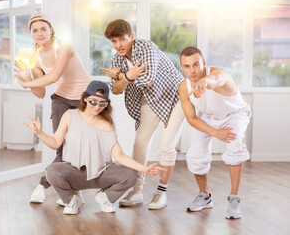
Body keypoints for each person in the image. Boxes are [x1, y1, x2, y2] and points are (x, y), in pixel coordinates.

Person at [24, 80, 164, 215]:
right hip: (74, 172)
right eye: (93, 102)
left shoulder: (107, 125)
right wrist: (39, 133)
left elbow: (119, 156)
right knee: (52, 171)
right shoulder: (69, 116)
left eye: (102, 104)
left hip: (100, 174)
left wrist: (144, 169)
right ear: (85, 98)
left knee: (132, 175)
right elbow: (55, 142)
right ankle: (72, 200)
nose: (97, 107)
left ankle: (106, 198)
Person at [99, 19, 185, 210]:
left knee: (166, 146)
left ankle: (161, 192)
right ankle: (136, 191)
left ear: (132, 36)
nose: (118, 45)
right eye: (114, 41)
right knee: (139, 143)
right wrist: (126, 77)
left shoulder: (146, 47)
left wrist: (121, 76)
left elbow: (148, 80)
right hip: (151, 99)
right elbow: (116, 90)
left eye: (122, 39)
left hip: (176, 95)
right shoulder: (116, 60)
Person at [14, 11, 92, 204]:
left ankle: (44, 185)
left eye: (43, 29)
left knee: (80, 147)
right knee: (61, 147)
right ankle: (68, 192)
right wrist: (27, 79)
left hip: (84, 98)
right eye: (35, 30)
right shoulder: (37, 57)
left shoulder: (63, 46)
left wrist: (27, 83)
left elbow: (55, 76)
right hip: (61, 99)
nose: (40, 33)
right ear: (31, 34)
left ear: (51, 30)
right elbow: (40, 92)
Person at [178, 46, 251, 219]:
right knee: (195, 155)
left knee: (235, 147)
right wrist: (215, 132)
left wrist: (206, 82)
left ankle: (234, 198)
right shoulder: (184, 87)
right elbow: (191, 118)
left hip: (234, 115)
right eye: (187, 66)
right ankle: (205, 196)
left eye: (196, 65)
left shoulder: (219, 74)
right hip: (207, 117)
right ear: (182, 68)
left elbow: (217, 79)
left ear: (203, 63)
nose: (192, 70)